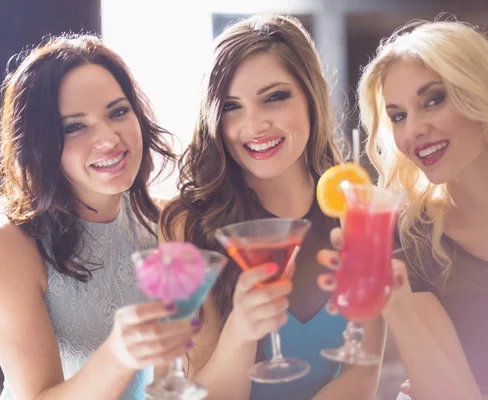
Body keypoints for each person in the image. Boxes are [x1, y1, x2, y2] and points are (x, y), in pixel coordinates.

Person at [317, 20, 488, 400]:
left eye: (433, 100)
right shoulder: (413, 234)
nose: (413, 129)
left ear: (482, 93)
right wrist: (395, 307)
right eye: (397, 116)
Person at [160, 14, 384, 400]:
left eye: (275, 97)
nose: (255, 125)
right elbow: (190, 395)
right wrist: (240, 333)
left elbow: (362, 373)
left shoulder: (354, 209)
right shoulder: (189, 226)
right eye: (232, 106)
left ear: (311, 98)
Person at [0, 33, 198, 400]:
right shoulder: (10, 246)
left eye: (118, 112)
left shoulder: (170, 223)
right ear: (41, 142)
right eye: (75, 126)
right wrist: (117, 356)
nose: (109, 138)